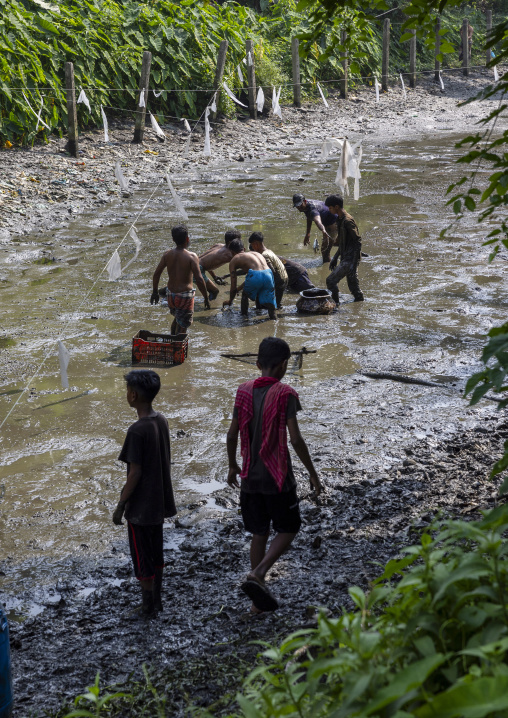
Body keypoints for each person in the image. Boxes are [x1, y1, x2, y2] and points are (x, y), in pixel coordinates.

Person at [226, 337, 322, 613]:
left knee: (259, 532)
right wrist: (313, 474)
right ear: (283, 365)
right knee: (289, 527)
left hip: (249, 477)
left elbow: (232, 433)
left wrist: (233, 465)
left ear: (257, 364)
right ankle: (259, 573)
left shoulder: (242, 391)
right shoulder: (286, 394)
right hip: (277, 476)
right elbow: (295, 440)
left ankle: (258, 600)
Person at [113, 370, 177, 617]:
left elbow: (135, 474)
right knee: (156, 551)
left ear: (133, 395)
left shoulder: (136, 431)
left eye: (126, 390)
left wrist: (121, 504)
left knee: (141, 556)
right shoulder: (161, 420)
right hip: (158, 502)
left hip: (140, 507)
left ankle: (147, 606)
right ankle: (157, 600)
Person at [150, 225, 210, 334]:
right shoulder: (192, 256)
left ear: (173, 239)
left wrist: (155, 292)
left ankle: (172, 340)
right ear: (187, 239)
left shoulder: (167, 255)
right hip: (185, 296)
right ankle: (177, 347)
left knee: (178, 319)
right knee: (183, 327)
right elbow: (199, 279)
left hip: (171, 295)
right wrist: (206, 297)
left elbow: (156, 273)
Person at [222, 239, 276, 320]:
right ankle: (274, 320)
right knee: (270, 303)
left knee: (245, 295)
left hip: (256, 276)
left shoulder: (234, 259)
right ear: (244, 249)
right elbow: (256, 276)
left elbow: (233, 286)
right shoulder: (256, 254)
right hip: (269, 274)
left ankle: (244, 318)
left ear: (232, 252)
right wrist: (239, 288)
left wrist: (230, 301)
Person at [325, 195, 364, 304]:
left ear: (336, 207)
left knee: (331, 281)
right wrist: (335, 258)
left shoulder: (347, 221)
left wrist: (353, 263)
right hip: (346, 256)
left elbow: (358, 241)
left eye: (330, 208)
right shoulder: (340, 219)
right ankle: (359, 306)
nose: (329, 210)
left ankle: (336, 304)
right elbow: (342, 242)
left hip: (350, 258)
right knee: (354, 287)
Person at [292, 193, 339, 264]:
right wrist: (308, 233)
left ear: (304, 201)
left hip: (332, 222)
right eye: (297, 206)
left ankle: (327, 268)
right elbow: (309, 217)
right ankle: (345, 245)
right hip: (327, 220)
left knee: (325, 251)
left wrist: (323, 230)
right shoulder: (305, 206)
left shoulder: (312, 209)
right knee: (331, 243)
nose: (299, 207)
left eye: (300, 205)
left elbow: (318, 221)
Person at [197, 229, 241, 301]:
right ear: (231, 242)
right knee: (214, 291)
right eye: (238, 241)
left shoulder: (218, 245)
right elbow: (243, 267)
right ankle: (208, 309)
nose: (239, 243)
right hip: (197, 269)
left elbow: (205, 262)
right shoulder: (229, 254)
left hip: (194, 264)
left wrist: (214, 277)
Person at [248, 232, 288, 309]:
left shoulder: (264, 255)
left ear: (256, 244)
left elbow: (271, 271)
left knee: (259, 295)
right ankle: (277, 317)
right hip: (284, 278)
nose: (252, 248)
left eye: (252, 245)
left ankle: (261, 312)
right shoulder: (269, 251)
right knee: (277, 305)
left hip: (278, 280)